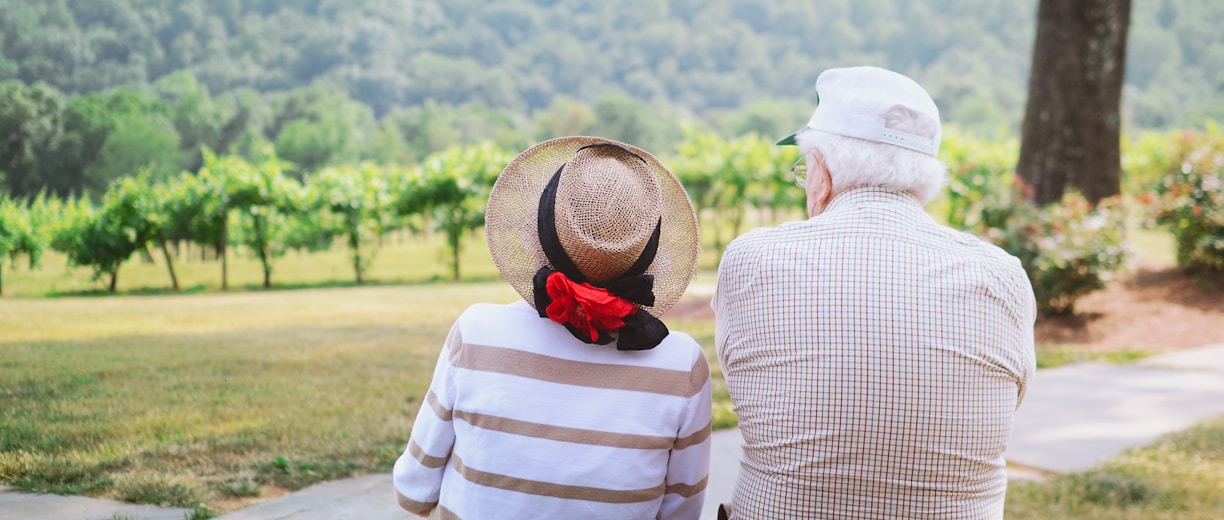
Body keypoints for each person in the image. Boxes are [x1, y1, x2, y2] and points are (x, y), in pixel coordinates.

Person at [712, 66, 1037, 519]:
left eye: (803, 169)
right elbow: (1010, 400)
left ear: (820, 173)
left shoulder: (752, 259)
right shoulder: (1004, 276)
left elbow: (749, 387)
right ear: (925, 178)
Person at [393, 136, 712, 519]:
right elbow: (681, 511)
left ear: (536, 232)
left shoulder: (476, 332)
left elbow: (414, 490)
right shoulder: (681, 366)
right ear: (649, 253)